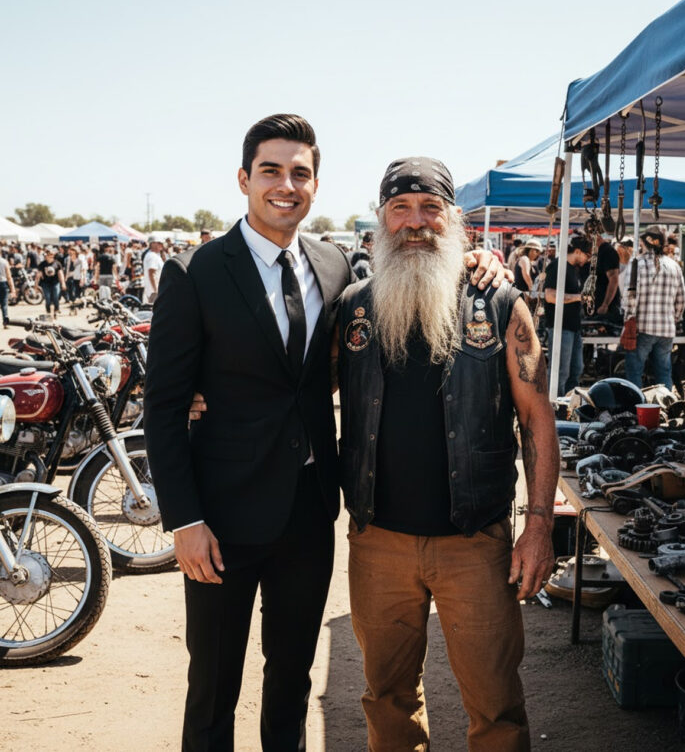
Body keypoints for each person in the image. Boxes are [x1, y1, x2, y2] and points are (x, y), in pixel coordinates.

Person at [145, 114, 504, 752]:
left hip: (310, 516)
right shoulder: (193, 271)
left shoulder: (336, 267)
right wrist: (185, 520)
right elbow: (164, 406)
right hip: (221, 520)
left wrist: (482, 258)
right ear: (244, 180)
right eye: (271, 171)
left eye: (300, 173)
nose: (286, 185)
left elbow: (348, 352)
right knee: (213, 687)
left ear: (315, 184)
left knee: (292, 680)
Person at [337, 159, 557, 751]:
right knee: (386, 700)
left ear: (454, 218)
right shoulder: (353, 307)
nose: (416, 222)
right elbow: (293, 390)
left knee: (495, 705)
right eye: (401, 209)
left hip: (475, 544)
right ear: (381, 218)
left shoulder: (501, 304)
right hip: (378, 542)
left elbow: (537, 418)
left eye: (430, 208)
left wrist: (537, 527)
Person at [623, 227, 685, 390]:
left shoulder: (637, 264)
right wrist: (674, 318)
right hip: (666, 329)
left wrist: (628, 319)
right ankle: (665, 406)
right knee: (664, 372)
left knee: (634, 371)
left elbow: (630, 297)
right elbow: (682, 298)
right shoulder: (674, 266)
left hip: (643, 328)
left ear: (646, 243)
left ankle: (637, 406)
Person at [543, 234, 591, 396]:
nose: (587, 259)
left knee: (576, 369)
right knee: (560, 371)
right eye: (587, 255)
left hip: (572, 327)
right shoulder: (558, 266)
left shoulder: (572, 270)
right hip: (560, 326)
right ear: (577, 251)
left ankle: (567, 405)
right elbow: (549, 296)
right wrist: (579, 297)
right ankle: (554, 406)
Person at [593, 232, 621, 321]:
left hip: (605, 308)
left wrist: (605, 304)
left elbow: (613, 280)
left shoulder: (608, 252)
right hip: (595, 305)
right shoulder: (596, 251)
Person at [35, 248, 65, 318]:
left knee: (56, 297)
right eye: (49, 255)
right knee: (47, 298)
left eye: (52, 255)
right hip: (45, 283)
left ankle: (56, 311)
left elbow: (60, 274)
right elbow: (38, 275)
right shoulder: (42, 264)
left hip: (55, 283)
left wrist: (63, 283)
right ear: (46, 255)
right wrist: (36, 285)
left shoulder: (57, 263)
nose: (51, 256)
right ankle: (48, 311)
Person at [142, 238, 165, 304]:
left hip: (155, 290)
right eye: (159, 243)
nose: (161, 245)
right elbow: (151, 273)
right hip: (154, 291)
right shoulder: (152, 256)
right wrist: (156, 290)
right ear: (152, 244)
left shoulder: (155, 255)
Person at [0, 252, 16, 328]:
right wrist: (12, 289)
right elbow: (9, 277)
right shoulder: (4, 262)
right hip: (3, 283)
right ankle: (5, 322)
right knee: (4, 304)